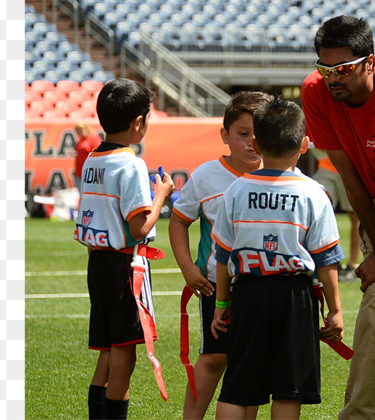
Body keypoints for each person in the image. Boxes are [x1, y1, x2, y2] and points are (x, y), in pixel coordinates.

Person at [300, 15, 375, 419]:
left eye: (344, 69)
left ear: (370, 62)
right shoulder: (315, 92)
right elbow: (348, 176)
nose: (333, 78)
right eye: (325, 68)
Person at [210, 98, 345, 420]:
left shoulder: (237, 190)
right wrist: (336, 310)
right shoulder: (313, 192)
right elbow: (326, 260)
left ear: (256, 143)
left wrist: (221, 305)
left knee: (238, 386)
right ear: (305, 145)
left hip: (248, 294)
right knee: (289, 388)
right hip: (295, 297)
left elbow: (222, 256)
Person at [73, 78, 175, 420]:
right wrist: (161, 195)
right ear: (138, 123)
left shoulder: (91, 159)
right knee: (125, 354)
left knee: (106, 348)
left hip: (97, 262)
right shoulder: (130, 163)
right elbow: (137, 229)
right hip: (124, 267)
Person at [168, 91, 273, 420]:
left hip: (263, 286)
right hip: (217, 285)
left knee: (253, 361)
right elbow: (178, 222)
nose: (252, 142)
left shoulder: (280, 174)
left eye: (260, 134)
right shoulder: (205, 175)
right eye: (243, 134)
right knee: (214, 357)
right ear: (225, 135)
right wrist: (187, 268)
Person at [309, 148, 360, 281]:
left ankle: (352, 267)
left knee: (356, 216)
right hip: (326, 165)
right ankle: (326, 263)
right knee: (318, 213)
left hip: (350, 165)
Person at [74, 121, 103, 189]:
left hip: (90, 172)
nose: (80, 132)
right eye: (78, 130)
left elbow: (99, 153)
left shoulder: (94, 138)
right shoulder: (81, 140)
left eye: (81, 129)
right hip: (79, 171)